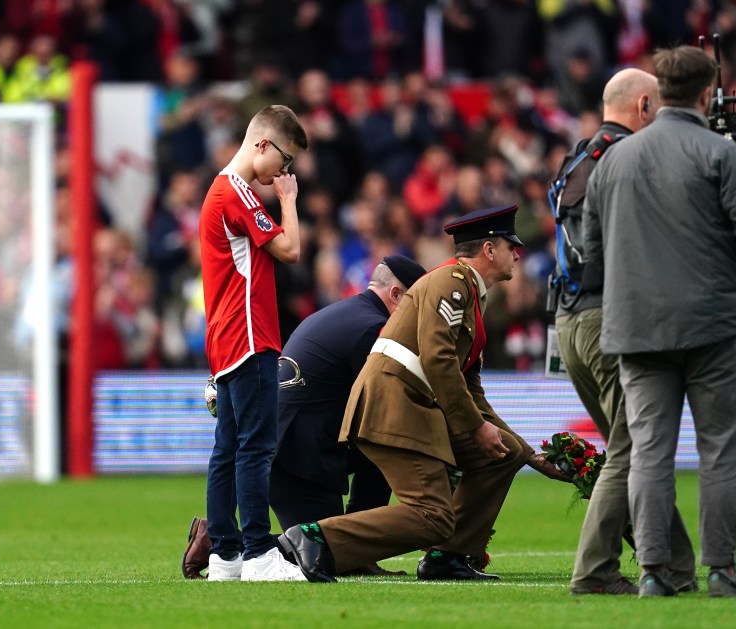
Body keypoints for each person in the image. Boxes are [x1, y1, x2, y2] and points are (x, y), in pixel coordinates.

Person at [277, 205, 569, 583]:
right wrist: (474, 427)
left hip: (406, 402)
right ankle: (317, 536)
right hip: (395, 404)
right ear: (488, 250)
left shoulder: (469, 296)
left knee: (503, 454)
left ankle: (450, 557)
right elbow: (438, 359)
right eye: (510, 245)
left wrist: (529, 453)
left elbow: (469, 388)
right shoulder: (452, 283)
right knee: (432, 516)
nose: (518, 253)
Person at [584, 46, 736, 598]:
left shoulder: (612, 162)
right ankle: (719, 570)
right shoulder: (720, 154)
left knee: (649, 453)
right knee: (720, 451)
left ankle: (652, 573)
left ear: (658, 94)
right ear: (707, 93)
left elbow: (592, 255)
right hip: (716, 326)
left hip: (637, 330)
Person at [181, 255, 427, 579]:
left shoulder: (348, 313)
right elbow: (392, 403)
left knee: (380, 450)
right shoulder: (371, 328)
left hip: (292, 448)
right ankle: (221, 539)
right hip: (300, 460)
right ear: (396, 295)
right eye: (415, 303)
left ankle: (358, 553)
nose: (419, 317)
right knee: (322, 551)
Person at [551, 68, 697, 597]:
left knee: (635, 446)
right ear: (642, 106)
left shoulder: (577, 160)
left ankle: (678, 567)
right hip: (608, 319)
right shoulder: (631, 158)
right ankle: (592, 572)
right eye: (658, 108)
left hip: (568, 320)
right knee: (632, 447)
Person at [198, 104, 308, 582]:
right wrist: (289, 199)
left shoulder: (224, 190)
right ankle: (259, 552)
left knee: (228, 447)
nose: (285, 173)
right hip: (247, 332)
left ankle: (225, 555)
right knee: (256, 446)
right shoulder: (235, 192)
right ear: (262, 144)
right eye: (285, 161)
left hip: (227, 333)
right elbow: (291, 249)